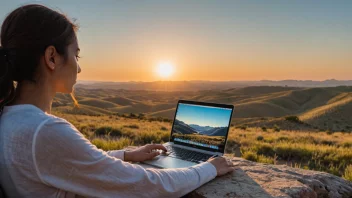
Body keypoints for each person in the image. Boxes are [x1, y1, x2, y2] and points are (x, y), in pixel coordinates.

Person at [0, 4, 235, 198]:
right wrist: (208, 168)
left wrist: (126, 155)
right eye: (76, 54)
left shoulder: (10, 119)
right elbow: (148, 185)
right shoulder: (44, 131)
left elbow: (68, 162)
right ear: (52, 57)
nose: (79, 67)